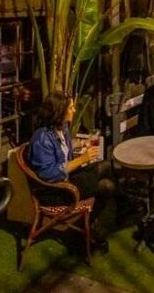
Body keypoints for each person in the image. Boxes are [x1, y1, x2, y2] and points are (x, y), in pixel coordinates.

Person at [27, 93, 115, 249]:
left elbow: (64, 148)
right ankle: (91, 233)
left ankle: (114, 211)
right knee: (106, 186)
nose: (74, 110)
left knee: (106, 165)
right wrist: (82, 159)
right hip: (55, 190)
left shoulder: (63, 127)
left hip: (68, 178)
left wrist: (81, 143)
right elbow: (48, 174)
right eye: (71, 107)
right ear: (59, 112)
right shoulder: (42, 138)